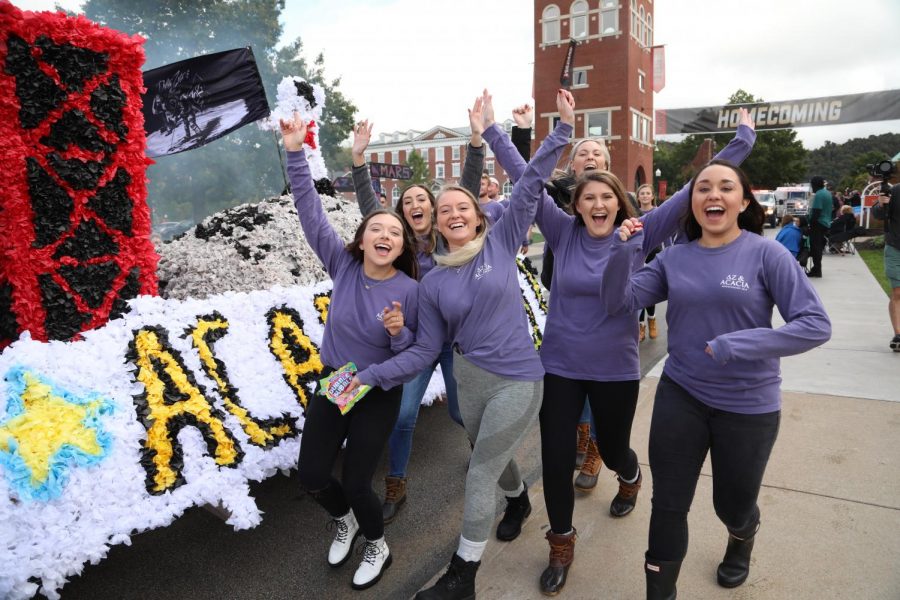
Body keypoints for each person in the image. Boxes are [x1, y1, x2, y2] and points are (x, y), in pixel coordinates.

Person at [487, 106, 757, 596]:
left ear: (619, 205)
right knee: (555, 455)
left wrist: (742, 141)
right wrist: (491, 130)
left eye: (605, 197)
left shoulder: (642, 232)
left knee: (611, 447)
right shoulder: (563, 232)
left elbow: (696, 188)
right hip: (562, 365)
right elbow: (527, 180)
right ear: (576, 205)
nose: (596, 203)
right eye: (587, 197)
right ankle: (561, 542)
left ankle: (628, 475)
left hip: (614, 369)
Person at [342, 89, 577, 600]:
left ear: (475, 215)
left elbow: (532, 179)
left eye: (459, 206)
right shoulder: (429, 282)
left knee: (478, 472)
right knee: (493, 454)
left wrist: (554, 130)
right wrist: (380, 361)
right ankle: (516, 500)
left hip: (517, 377)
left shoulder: (502, 236)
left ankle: (462, 575)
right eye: (442, 208)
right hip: (468, 380)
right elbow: (426, 349)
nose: (450, 213)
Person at [603, 159, 831, 599]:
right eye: (703, 187)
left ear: (743, 201)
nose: (713, 195)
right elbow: (618, 302)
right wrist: (622, 251)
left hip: (748, 404)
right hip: (681, 395)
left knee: (732, 504)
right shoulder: (675, 258)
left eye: (726, 187)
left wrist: (738, 345)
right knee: (668, 505)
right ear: (692, 201)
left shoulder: (767, 254)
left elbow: (814, 324)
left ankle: (741, 536)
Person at [280, 114, 421, 590]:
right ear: (362, 239)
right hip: (337, 381)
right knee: (314, 474)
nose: (385, 236)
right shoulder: (342, 265)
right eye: (376, 229)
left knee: (360, 479)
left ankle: (377, 543)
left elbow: (415, 352)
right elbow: (309, 211)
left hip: (377, 387)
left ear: (402, 246)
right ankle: (346, 520)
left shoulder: (410, 289)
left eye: (394, 232)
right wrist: (295, 151)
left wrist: (398, 333)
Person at [349, 118, 482, 524]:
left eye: (421, 200)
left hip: (454, 343)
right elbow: (370, 209)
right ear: (403, 213)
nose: (414, 206)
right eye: (407, 202)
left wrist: (476, 142)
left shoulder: (446, 240)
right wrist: (358, 158)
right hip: (415, 344)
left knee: (463, 413)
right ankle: (396, 482)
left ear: (433, 209)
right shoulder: (397, 246)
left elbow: (468, 192)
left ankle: (485, 459)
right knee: (403, 414)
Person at [872, 182, 900, 351]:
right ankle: (898, 335)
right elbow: (878, 214)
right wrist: (881, 203)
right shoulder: (895, 191)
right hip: (896, 248)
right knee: (898, 291)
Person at [636, 183, 661, 342]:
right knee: (638, 291)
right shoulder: (633, 212)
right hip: (637, 254)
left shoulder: (658, 213)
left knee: (650, 291)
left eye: (647, 193)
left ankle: (651, 320)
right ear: (638, 197)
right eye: (642, 193)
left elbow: (666, 234)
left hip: (654, 254)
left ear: (652, 196)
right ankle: (640, 326)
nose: (645, 196)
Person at [807, 175, 832, 277]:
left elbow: (816, 212)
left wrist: (810, 223)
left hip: (818, 224)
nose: (811, 187)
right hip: (826, 223)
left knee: (815, 248)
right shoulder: (827, 193)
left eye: (812, 184)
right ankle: (816, 268)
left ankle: (817, 270)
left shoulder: (818, 195)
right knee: (819, 247)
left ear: (815, 184)